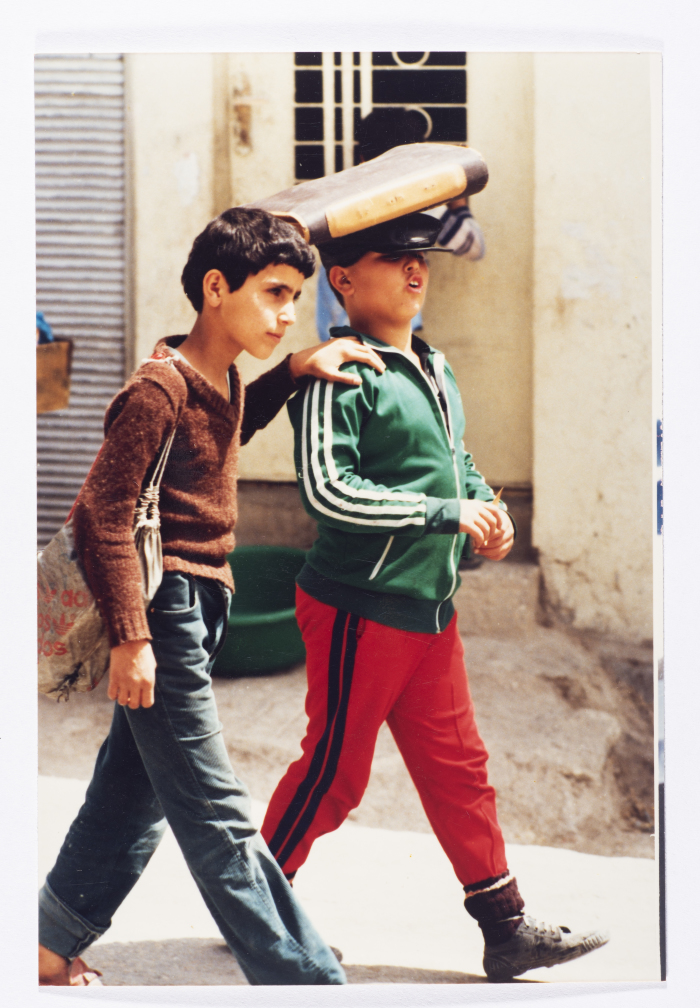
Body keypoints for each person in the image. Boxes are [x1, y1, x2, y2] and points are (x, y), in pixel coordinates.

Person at [37, 207, 387, 987]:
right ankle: (304, 979)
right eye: (274, 294)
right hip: (164, 611)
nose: (287, 314)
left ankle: (48, 942)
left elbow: (222, 435)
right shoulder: (155, 392)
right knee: (215, 810)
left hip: (199, 606)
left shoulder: (220, 377)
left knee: (133, 793)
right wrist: (132, 638)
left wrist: (293, 372)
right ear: (217, 288)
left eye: (294, 296)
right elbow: (104, 518)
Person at [261, 211, 609, 983]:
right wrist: (443, 512)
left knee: (460, 768)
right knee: (334, 772)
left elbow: (456, 461)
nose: (416, 271)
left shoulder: (433, 365)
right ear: (344, 280)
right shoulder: (338, 374)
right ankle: (252, 907)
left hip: (429, 607)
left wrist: (486, 509)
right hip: (359, 606)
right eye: (393, 259)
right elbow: (329, 493)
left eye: (421, 258)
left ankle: (506, 928)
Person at [315, 107, 486, 341]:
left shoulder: (340, 201)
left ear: (362, 158)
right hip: (388, 336)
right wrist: (459, 205)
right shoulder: (419, 204)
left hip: (338, 330)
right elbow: (474, 246)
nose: (413, 263)